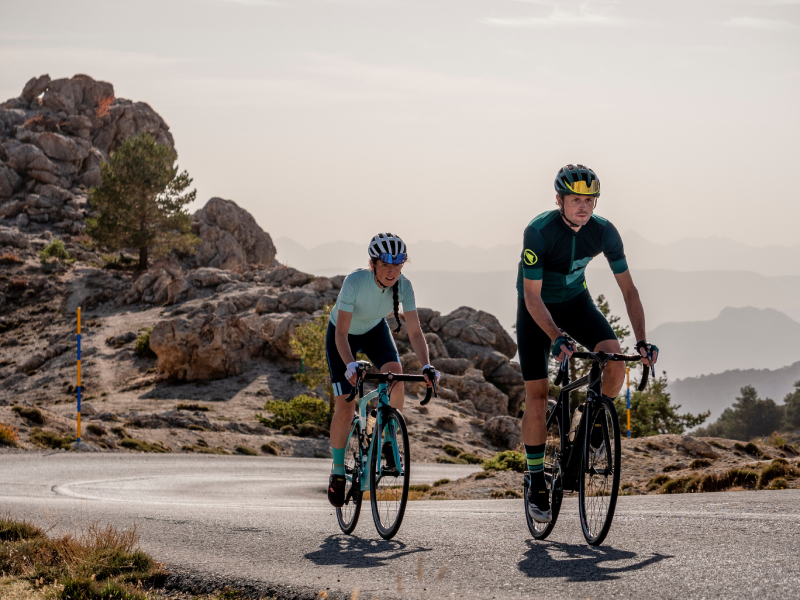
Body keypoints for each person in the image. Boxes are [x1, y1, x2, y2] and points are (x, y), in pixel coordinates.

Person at [516, 164, 659, 523]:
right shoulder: (538, 231)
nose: (583, 206)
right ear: (560, 200)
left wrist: (641, 341)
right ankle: (536, 480)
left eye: (589, 200)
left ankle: (594, 420)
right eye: (576, 199)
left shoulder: (605, 232)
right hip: (537, 309)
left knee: (615, 362)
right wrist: (555, 336)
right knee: (537, 395)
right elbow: (532, 297)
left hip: (577, 303)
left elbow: (629, 290)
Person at [326, 232, 439, 507]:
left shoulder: (405, 286)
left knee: (395, 377)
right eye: (386, 265)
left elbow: (415, 331)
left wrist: (426, 365)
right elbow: (341, 334)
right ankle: (339, 471)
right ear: (373, 263)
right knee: (345, 406)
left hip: (375, 330)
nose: (392, 272)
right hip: (343, 335)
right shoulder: (355, 281)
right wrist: (350, 364)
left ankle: (388, 437)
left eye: (398, 265)